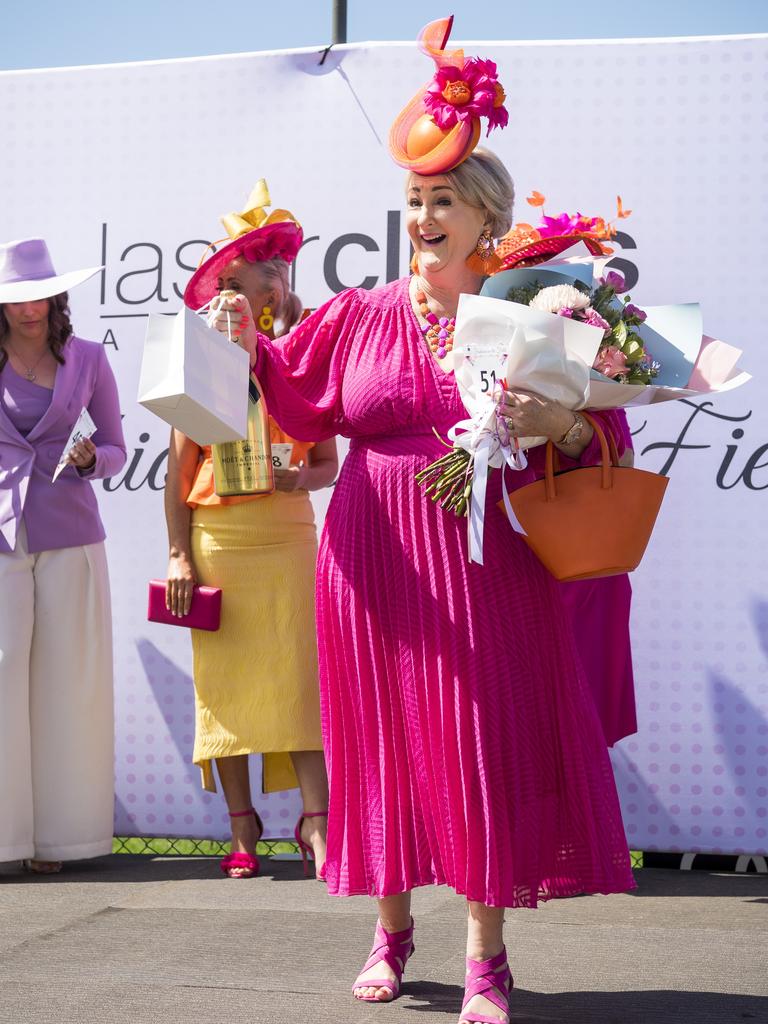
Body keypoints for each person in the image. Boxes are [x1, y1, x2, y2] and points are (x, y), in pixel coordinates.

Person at [209, 20, 635, 1023]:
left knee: (475, 745)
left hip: (487, 556)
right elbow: (294, 391)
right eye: (414, 201)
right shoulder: (360, 312)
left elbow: (590, 435)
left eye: (443, 201)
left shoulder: (536, 309)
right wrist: (243, 339)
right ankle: (389, 929)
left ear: (485, 217)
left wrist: (560, 413)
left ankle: (486, 957)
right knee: (383, 744)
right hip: (370, 554)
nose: (425, 217)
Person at [166, 182, 338, 879]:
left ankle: (317, 823)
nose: (279, 280)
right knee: (229, 683)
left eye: (283, 269)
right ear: (230, 277)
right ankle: (242, 828)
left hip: (290, 535)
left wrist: (302, 478)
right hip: (220, 539)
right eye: (268, 267)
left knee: (302, 680)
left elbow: (327, 460)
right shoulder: (203, 355)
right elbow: (176, 475)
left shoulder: (301, 348)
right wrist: (179, 555)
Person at [0, 237, 126, 874]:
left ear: (56, 294)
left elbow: (116, 450)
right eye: (16, 298)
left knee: (67, 682)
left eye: (38, 295)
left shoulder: (87, 359)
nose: (29, 309)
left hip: (71, 532)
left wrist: (88, 459)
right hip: (1, 537)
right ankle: (5, 841)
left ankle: (62, 841)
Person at [494, 213, 639, 746]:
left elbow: (616, 455)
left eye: (550, 271)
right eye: (524, 275)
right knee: (508, 734)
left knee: (574, 738)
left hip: (578, 563)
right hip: (499, 563)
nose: (541, 282)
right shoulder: (470, 350)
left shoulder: (602, 361)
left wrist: (562, 426)